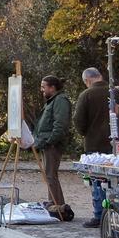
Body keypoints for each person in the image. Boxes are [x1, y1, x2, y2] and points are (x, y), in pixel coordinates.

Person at [75, 68, 112, 228]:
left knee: (96, 180)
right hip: (114, 144)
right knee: (113, 180)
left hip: (94, 144)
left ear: (87, 80)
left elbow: (78, 120)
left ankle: (99, 215)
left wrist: (86, 133)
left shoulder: (86, 95)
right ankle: (113, 212)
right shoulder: (114, 92)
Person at [34, 75, 74, 221]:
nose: (42, 89)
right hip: (46, 142)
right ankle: (56, 205)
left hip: (52, 143)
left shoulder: (60, 101)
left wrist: (50, 141)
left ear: (52, 87)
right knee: (50, 175)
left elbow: (60, 124)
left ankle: (58, 206)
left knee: (51, 175)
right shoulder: (53, 101)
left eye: (43, 86)